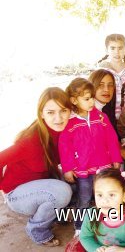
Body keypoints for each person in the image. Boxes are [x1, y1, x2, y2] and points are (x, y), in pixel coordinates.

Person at [0, 87, 73, 246]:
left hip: (40, 185)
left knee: (77, 180)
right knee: (62, 191)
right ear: (41, 113)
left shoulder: (64, 131)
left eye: (63, 111)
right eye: (51, 112)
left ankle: (57, 215)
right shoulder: (31, 140)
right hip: (17, 194)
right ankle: (37, 229)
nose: (58, 118)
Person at [59, 78, 122, 235]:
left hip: (104, 167)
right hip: (83, 169)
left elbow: (112, 140)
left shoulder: (101, 117)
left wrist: (116, 159)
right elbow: (64, 147)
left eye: (92, 98)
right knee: (85, 198)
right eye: (87, 99)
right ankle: (80, 228)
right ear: (74, 100)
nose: (91, 102)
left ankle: (112, 223)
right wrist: (67, 168)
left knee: (108, 196)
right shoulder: (70, 122)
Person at [97, 34, 125, 118]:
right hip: (106, 115)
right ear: (106, 50)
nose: (117, 52)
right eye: (112, 48)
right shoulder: (100, 71)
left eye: (120, 48)